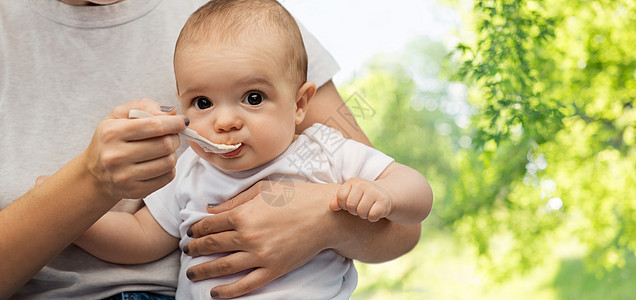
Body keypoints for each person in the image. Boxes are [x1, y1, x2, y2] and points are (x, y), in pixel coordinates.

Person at [0, 0, 428, 299]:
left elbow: (411, 195)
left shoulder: (323, 149)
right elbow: (143, 237)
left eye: (254, 98)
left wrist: (380, 197)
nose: (224, 121)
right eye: (202, 104)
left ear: (300, 104)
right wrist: (72, 206)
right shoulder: (190, 170)